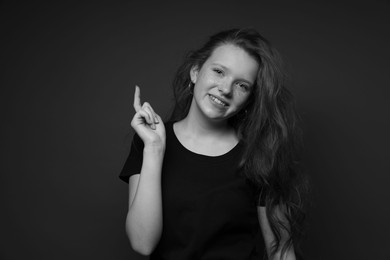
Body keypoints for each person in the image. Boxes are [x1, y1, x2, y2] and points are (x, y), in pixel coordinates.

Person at [119, 28, 307, 260]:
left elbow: (281, 251)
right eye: (218, 71)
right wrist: (155, 149)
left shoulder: (260, 154)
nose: (226, 89)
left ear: (250, 98)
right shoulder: (150, 140)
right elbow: (142, 243)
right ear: (195, 72)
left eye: (242, 85)